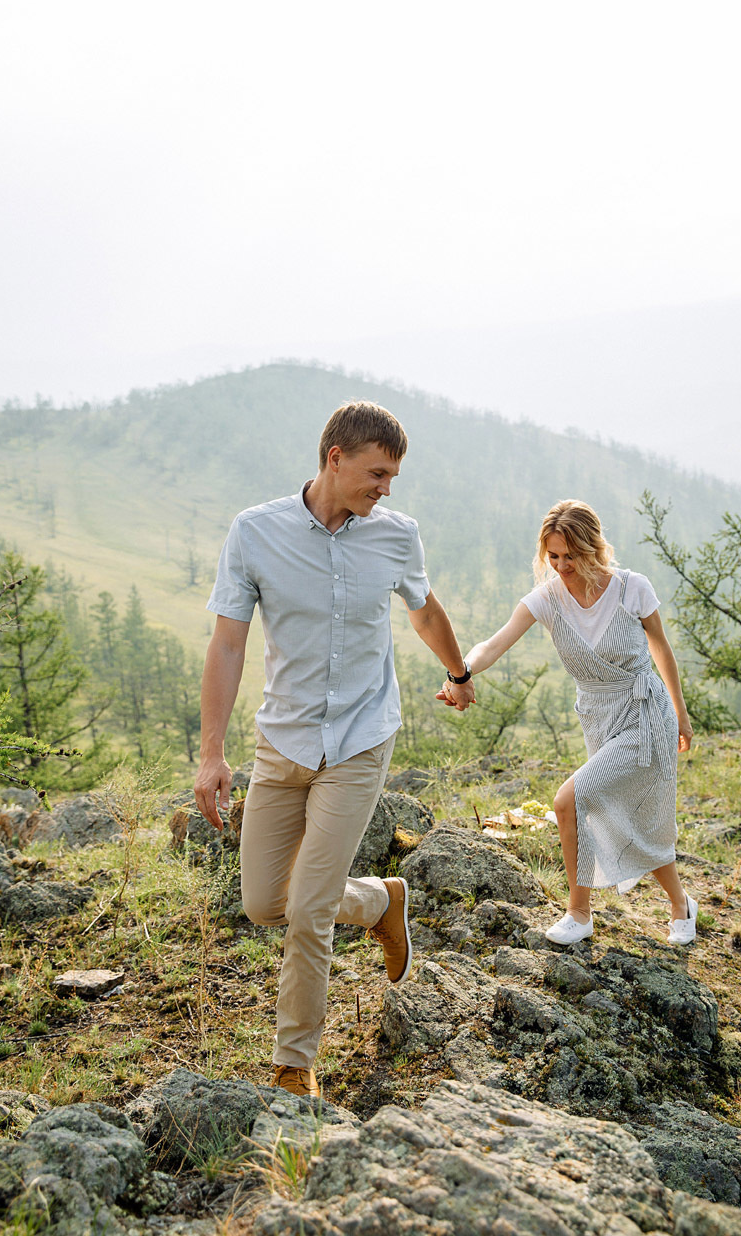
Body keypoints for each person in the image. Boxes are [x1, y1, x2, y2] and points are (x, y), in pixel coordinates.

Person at [194, 400, 475, 1098]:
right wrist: (211, 754)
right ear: (335, 459)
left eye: (393, 478)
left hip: (358, 739)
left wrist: (458, 672)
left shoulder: (395, 536)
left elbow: (424, 608)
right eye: (376, 474)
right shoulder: (255, 532)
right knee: (265, 902)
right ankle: (380, 903)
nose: (386, 489)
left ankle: (294, 1065)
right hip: (281, 742)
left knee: (309, 908)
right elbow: (228, 643)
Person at [441, 499, 695, 947]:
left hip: (643, 713)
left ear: (593, 548)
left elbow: (661, 649)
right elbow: (494, 644)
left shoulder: (632, 588)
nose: (560, 566)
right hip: (597, 718)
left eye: (569, 556)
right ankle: (681, 903)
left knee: (570, 801)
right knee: (627, 818)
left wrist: (680, 714)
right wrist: (459, 673)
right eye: (552, 556)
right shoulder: (548, 599)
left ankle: (579, 914)